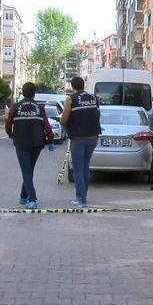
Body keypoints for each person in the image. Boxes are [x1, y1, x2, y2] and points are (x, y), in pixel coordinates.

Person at [5, 82, 55, 210]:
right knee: (29, 170)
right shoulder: (39, 107)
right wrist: (50, 140)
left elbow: (8, 123)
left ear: (22, 92)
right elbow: (47, 126)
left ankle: (32, 199)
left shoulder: (15, 107)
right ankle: (23, 196)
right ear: (34, 93)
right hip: (37, 143)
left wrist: (11, 134)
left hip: (21, 143)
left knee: (27, 171)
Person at [60, 76, 101, 208]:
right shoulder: (94, 98)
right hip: (93, 137)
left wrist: (62, 122)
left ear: (73, 87)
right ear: (83, 85)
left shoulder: (71, 99)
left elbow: (64, 118)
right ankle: (84, 195)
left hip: (78, 137)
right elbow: (97, 115)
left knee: (77, 168)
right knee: (85, 166)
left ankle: (81, 199)